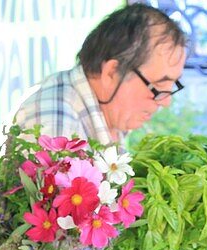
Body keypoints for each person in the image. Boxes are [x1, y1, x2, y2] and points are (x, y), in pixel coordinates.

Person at [13, 4, 187, 146]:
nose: (166, 102)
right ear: (112, 73)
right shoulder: (57, 127)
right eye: (158, 86)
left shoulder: (111, 111)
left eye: (172, 85)